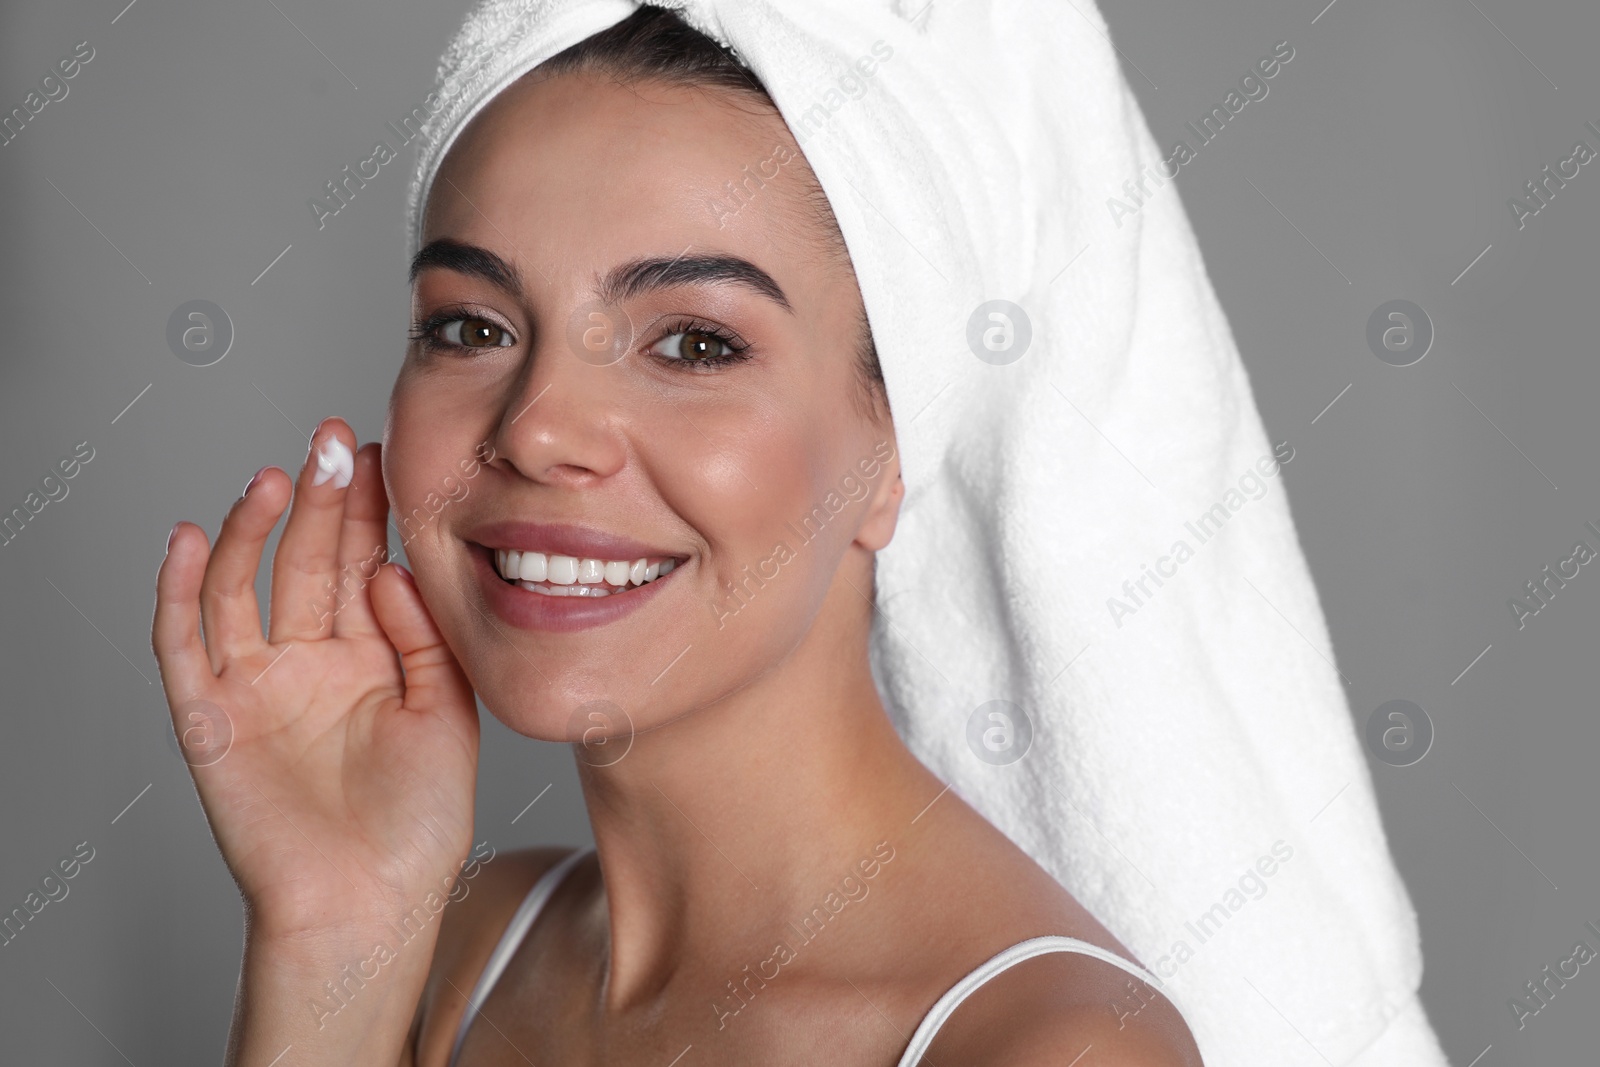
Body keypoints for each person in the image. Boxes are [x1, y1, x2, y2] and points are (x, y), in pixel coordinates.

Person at [152, 5, 1205, 1065]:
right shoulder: (461, 946)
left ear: (893, 449)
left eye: (695, 343)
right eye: (471, 326)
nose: (538, 427)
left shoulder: (1050, 1048)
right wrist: (331, 936)